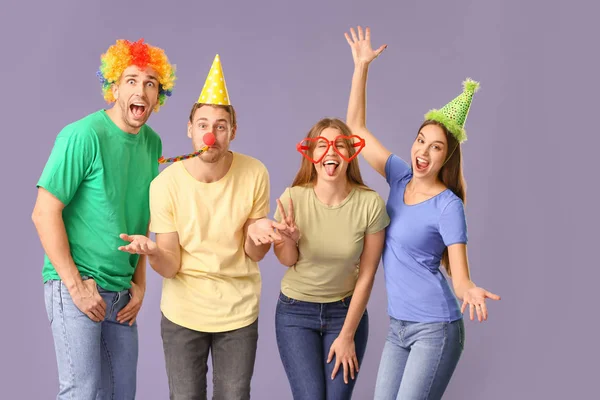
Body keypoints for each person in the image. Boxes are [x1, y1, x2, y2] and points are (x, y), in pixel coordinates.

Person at [344, 26, 501, 399]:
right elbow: (355, 128)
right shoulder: (398, 176)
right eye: (420, 141)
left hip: (436, 328)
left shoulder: (449, 205)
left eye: (434, 148)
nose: (423, 152)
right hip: (398, 326)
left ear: (445, 157)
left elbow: (460, 278)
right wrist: (362, 66)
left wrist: (470, 290)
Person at [118, 54, 284, 400]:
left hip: (238, 313)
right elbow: (172, 265)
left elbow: (252, 251)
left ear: (233, 132)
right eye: (204, 125)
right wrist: (152, 253)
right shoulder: (165, 185)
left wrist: (261, 236)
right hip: (183, 313)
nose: (211, 135)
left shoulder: (255, 173)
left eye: (221, 126)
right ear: (190, 129)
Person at [31, 38, 176, 399]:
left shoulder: (152, 145)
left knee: (121, 394)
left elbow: (141, 218)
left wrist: (139, 283)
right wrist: (76, 287)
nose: (141, 90)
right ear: (113, 87)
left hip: (121, 293)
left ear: (159, 96)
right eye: (131, 80)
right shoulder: (83, 135)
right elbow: (43, 212)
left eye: (150, 83)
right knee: (83, 393)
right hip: (78, 284)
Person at [272, 118, 390, 400]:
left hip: (345, 313)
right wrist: (288, 239)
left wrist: (348, 334)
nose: (331, 152)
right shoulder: (292, 198)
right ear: (311, 155)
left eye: (339, 145)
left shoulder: (369, 203)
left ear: (350, 154)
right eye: (322, 145)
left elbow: (367, 274)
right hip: (295, 313)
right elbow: (287, 260)